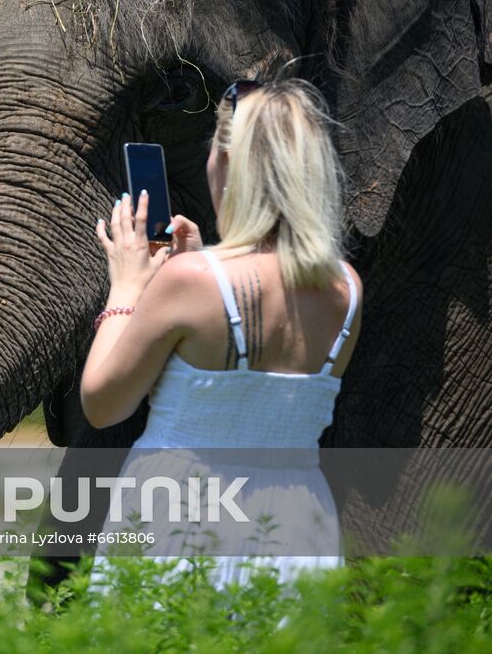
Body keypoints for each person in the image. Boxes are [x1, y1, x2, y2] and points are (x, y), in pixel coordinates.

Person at [80, 78, 363, 589]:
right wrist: (199, 268)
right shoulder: (346, 288)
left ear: (231, 165)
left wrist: (127, 286)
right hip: (299, 527)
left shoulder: (188, 281)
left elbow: (103, 405)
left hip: (179, 519)